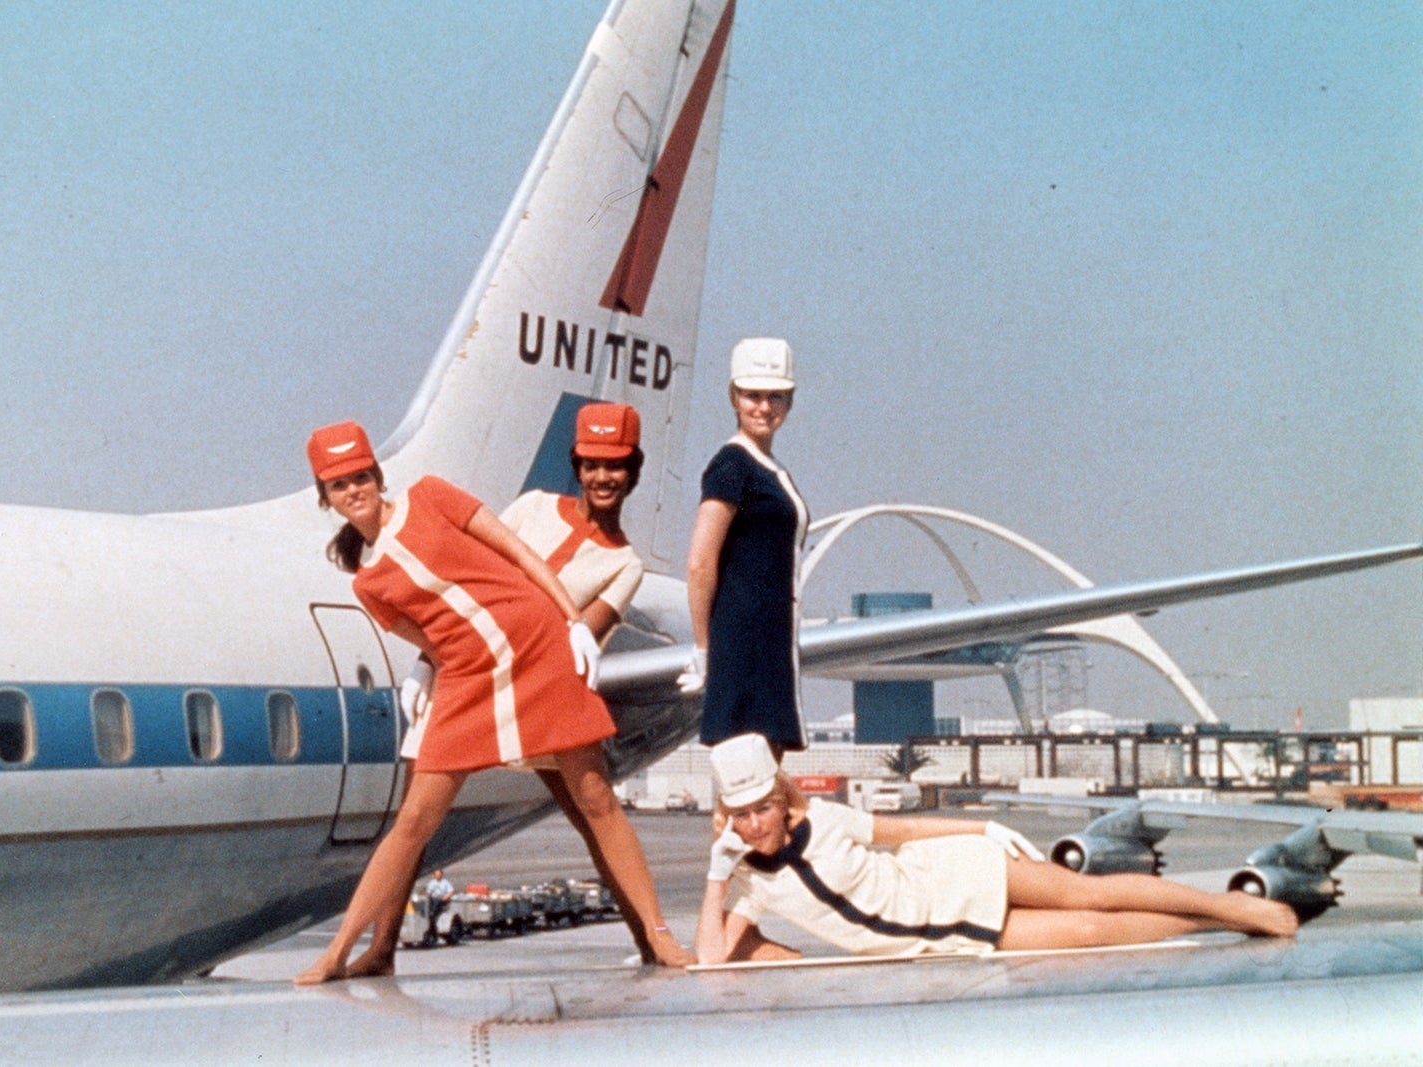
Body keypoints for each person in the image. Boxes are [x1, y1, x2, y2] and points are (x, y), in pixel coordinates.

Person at [294, 419, 692, 984]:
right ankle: (341, 952)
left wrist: (572, 621)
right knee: (412, 822)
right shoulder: (367, 583)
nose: (354, 490)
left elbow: (518, 557)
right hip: (469, 679)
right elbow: (427, 638)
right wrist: (424, 669)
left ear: (378, 476)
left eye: (361, 476)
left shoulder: (431, 494)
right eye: (339, 484)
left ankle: (658, 935)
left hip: (541, 656)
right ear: (326, 497)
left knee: (595, 800)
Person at [694, 734, 1299, 964]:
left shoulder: (824, 817)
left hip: (955, 873)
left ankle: (1233, 909)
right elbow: (712, 958)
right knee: (1091, 932)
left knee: (1092, 892)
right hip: (944, 933)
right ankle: (1209, 920)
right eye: (740, 815)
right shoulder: (749, 880)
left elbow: (901, 833)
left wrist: (980, 830)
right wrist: (718, 878)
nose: (754, 825)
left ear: (782, 799)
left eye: (762, 809)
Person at [679, 338, 809, 755]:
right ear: (733, 397)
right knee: (746, 783)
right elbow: (701, 563)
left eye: (776, 397)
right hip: (743, 649)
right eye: (753, 395)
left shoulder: (766, 467)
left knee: (763, 783)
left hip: (769, 646)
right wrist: (705, 651)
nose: (764, 407)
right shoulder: (733, 465)